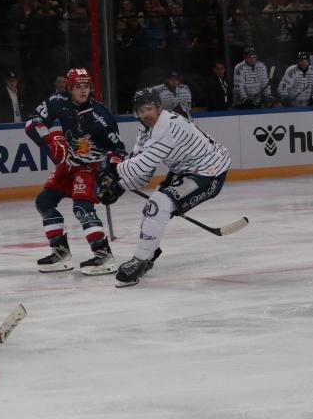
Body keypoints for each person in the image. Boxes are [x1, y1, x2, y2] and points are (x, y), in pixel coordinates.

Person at [96, 87, 232, 287]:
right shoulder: (145, 129)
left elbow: (143, 164)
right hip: (185, 170)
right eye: (141, 111)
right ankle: (149, 252)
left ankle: (141, 261)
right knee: (152, 208)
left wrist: (114, 174)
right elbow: (142, 172)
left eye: (149, 108)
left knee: (157, 205)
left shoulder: (167, 126)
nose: (145, 114)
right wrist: (118, 187)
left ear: (158, 107)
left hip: (209, 172)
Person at [24, 68, 127, 275]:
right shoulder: (57, 101)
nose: (83, 90)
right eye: (78, 86)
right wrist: (51, 138)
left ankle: (103, 255)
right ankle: (60, 252)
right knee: (43, 202)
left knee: (82, 208)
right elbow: (32, 123)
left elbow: (118, 150)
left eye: (86, 86)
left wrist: (112, 174)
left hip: (92, 167)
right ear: (69, 88)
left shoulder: (101, 115)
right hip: (69, 163)